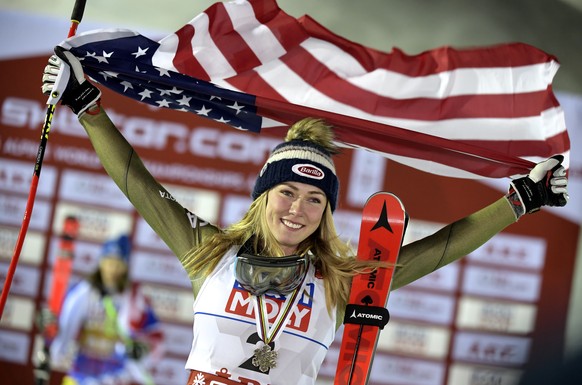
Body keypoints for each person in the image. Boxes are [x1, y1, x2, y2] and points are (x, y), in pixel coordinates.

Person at [41, 46, 568, 385]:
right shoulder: (210, 254)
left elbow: (440, 249)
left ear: (326, 212)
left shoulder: (335, 282)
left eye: (315, 200)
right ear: (263, 196)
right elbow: (138, 182)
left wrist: (521, 198)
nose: (298, 209)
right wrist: (86, 104)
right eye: (287, 192)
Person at [49, 235, 164, 385]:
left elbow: (154, 336)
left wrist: (142, 348)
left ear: (125, 267)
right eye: (108, 262)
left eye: (118, 264)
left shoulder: (135, 299)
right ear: (100, 262)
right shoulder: (81, 293)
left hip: (115, 378)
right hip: (80, 376)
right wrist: (50, 328)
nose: (112, 269)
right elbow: (61, 332)